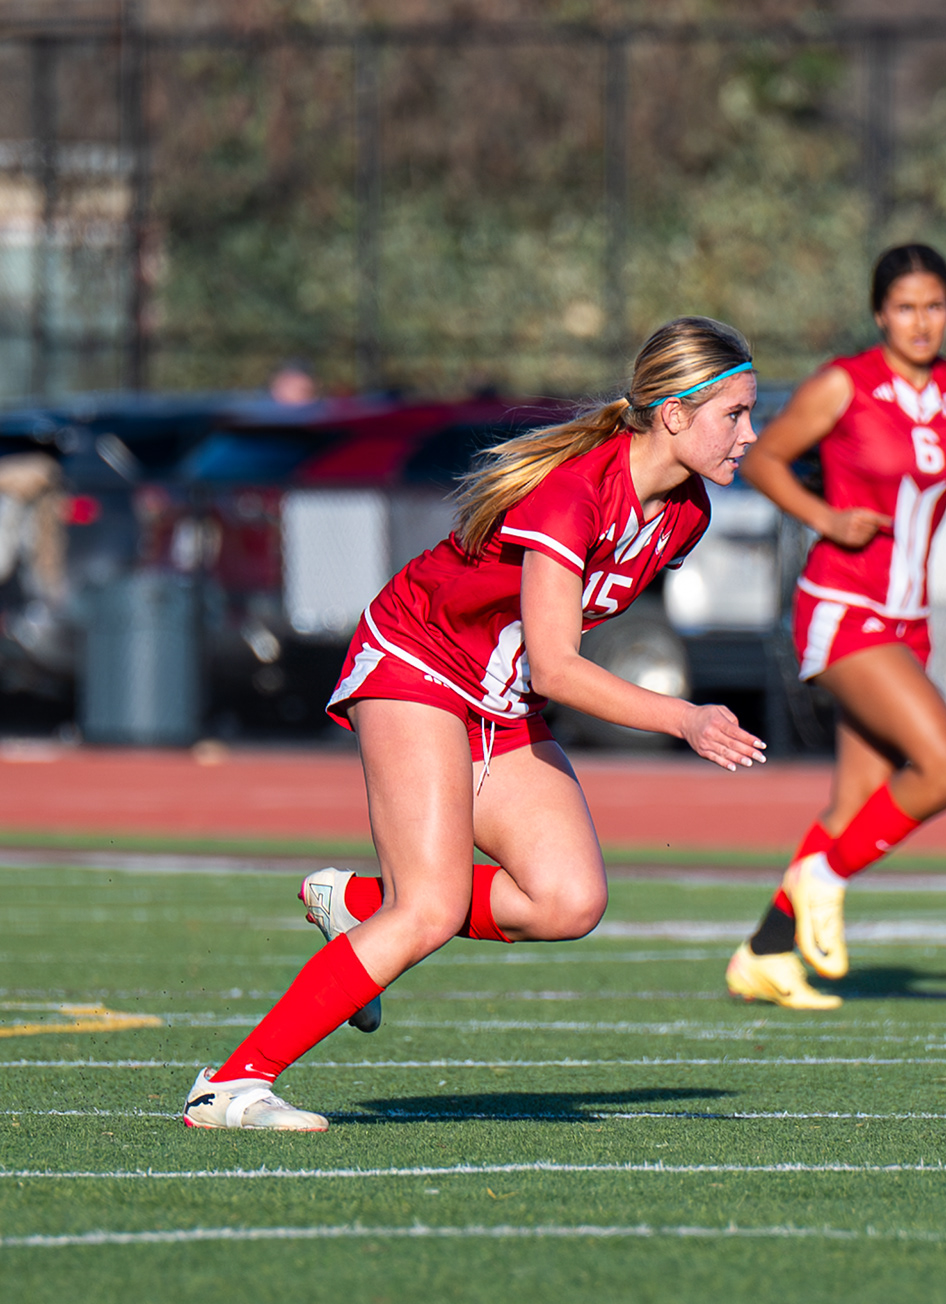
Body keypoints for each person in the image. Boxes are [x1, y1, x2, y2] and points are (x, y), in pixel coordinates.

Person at [184, 317, 767, 1131]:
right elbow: (561, 665)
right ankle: (232, 1084)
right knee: (427, 909)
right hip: (416, 663)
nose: (750, 433)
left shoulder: (685, 515)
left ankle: (357, 902)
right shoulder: (574, 494)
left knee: (567, 900)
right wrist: (685, 719)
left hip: (501, 699)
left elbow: (537, 659)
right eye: (735, 413)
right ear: (673, 414)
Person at [724, 245, 946, 1010]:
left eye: (935, 306)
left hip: (908, 621)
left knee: (854, 809)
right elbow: (763, 459)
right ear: (881, 313)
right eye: (906, 307)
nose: (921, 321)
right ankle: (825, 878)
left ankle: (766, 954)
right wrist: (825, 518)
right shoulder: (847, 381)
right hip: (844, 608)